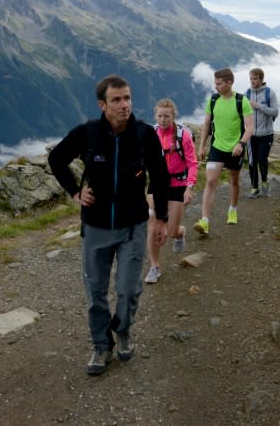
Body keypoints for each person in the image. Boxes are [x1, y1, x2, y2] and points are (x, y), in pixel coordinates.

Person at [47, 74, 169, 376]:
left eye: (127, 98)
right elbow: (56, 158)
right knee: (95, 294)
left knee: (128, 290)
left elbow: (161, 175)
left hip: (133, 226)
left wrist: (162, 219)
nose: (124, 104)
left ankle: (123, 329)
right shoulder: (88, 133)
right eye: (116, 100)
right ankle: (102, 345)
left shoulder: (144, 134)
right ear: (103, 105)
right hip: (96, 226)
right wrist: (75, 191)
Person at [193, 67, 254, 235]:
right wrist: (202, 146)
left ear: (229, 83)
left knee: (234, 180)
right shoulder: (213, 100)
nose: (215, 87)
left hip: (235, 148)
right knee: (211, 181)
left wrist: (241, 144)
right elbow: (206, 124)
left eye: (219, 84)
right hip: (217, 148)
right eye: (215, 83)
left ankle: (232, 209)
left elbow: (250, 128)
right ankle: (204, 222)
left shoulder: (242, 101)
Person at [144, 99, 198, 284]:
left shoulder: (183, 136)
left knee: (171, 230)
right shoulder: (151, 134)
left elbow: (192, 162)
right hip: (157, 184)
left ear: (173, 116)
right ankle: (155, 267)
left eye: (166, 116)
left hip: (178, 184)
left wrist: (189, 187)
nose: (162, 119)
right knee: (152, 225)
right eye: (159, 116)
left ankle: (180, 233)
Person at [245, 68, 278, 198]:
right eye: (251, 79)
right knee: (252, 161)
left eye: (254, 78)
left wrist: (258, 106)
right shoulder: (246, 94)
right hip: (251, 134)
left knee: (262, 159)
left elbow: (275, 112)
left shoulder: (270, 93)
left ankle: (264, 181)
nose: (252, 81)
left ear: (261, 79)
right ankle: (254, 188)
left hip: (266, 134)